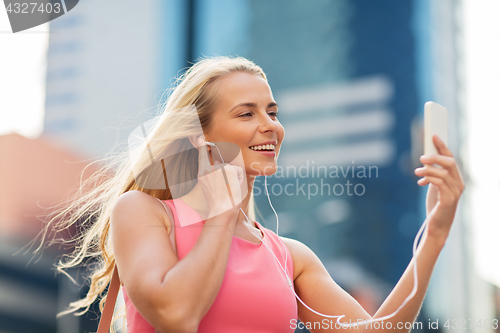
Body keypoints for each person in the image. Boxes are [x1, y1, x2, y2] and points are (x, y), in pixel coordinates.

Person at [46, 56, 464, 332]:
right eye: (246, 113)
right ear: (198, 138)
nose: (270, 126)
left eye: (272, 112)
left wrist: (435, 233)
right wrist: (220, 213)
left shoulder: (289, 256)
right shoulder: (144, 212)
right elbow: (176, 314)